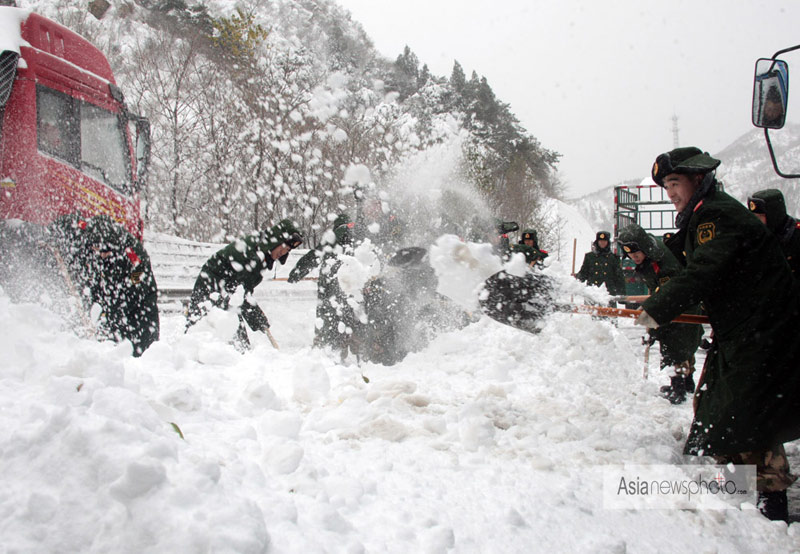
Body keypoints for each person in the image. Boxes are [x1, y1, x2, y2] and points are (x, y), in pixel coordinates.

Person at [637, 146, 800, 522]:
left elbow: (704, 272)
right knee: (716, 405)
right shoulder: (703, 216)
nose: (671, 193)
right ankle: (739, 495)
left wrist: (657, 308)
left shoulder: (716, 216)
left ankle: (769, 510)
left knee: (747, 414)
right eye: (666, 187)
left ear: (699, 179)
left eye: (675, 183)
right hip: (743, 331)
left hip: (761, 333)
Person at [50, 214, 160, 356]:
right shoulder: (92, 231)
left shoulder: (133, 255)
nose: (101, 255)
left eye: (105, 253)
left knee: (140, 344)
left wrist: (116, 312)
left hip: (141, 303)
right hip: (117, 293)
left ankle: (140, 354)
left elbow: (136, 286)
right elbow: (74, 223)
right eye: (97, 251)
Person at [617, 223, 703, 404]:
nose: (634, 258)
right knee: (681, 344)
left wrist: (652, 317)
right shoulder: (651, 252)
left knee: (677, 345)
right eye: (631, 255)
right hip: (673, 302)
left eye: (636, 254)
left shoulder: (662, 264)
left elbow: (668, 294)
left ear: (643, 247)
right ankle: (686, 383)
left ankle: (679, 388)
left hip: (680, 306)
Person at [186, 219, 303, 351]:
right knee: (201, 329)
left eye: (288, 250)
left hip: (226, 286)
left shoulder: (262, 252)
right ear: (276, 241)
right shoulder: (254, 254)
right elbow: (242, 292)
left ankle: (237, 354)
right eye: (284, 247)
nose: (284, 252)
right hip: (212, 283)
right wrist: (259, 320)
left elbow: (242, 291)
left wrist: (258, 320)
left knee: (231, 333)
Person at [288, 214, 357, 356]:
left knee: (326, 316)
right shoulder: (356, 237)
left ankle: (323, 348)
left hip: (328, 284)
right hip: (347, 284)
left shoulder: (332, 238)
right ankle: (342, 348)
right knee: (345, 316)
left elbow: (313, 256)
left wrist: (296, 273)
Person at [747, 189, 800, 279]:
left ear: (774, 215)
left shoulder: (796, 235)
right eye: (753, 216)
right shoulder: (756, 238)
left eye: (760, 217)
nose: (756, 221)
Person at [575, 231, 626, 299]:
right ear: (597, 242)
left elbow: (619, 277)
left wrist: (622, 295)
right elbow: (584, 273)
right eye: (600, 241)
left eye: (604, 241)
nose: (602, 243)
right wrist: (575, 280)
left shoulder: (613, 258)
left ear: (608, 242)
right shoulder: (589, 257)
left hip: (608, 295)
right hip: (592, 294)